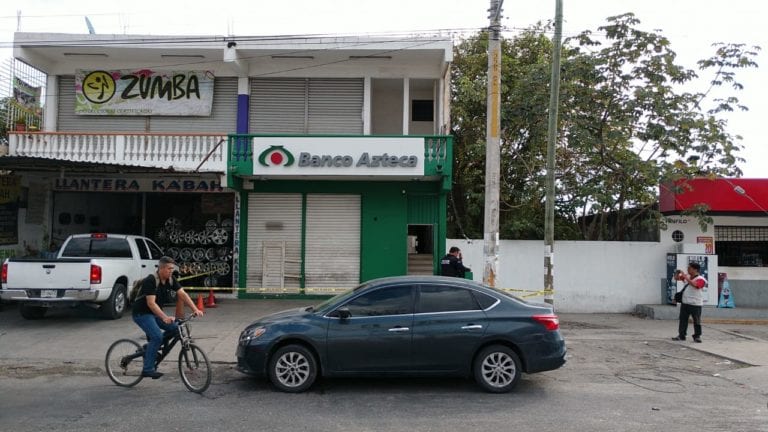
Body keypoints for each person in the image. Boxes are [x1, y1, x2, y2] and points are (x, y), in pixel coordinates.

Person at [132, 256, 203, 379]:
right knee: (157, 336)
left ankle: (150, 348)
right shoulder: (151, 280)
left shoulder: (170, 279)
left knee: (176, 329)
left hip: (155, 313)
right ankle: (148, 369)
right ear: (162, 268)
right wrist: (165, 317)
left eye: (172, 269)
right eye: (169, 269)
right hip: (142, 313)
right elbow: (151, 304)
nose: (171, 271)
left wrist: (195, 309)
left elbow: (183, 294)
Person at [672, 262, 707, 343]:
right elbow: (677, 278)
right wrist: (678, 273)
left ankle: (697, 336)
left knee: (696, 321)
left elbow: (696, 285)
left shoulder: (701, 279)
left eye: (689, 268)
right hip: (685, 303)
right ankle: (681, 335)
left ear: (695, 269)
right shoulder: (687, 276)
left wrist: (685, 277)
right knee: (683, 320)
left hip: (696, 304)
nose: (688, 269)